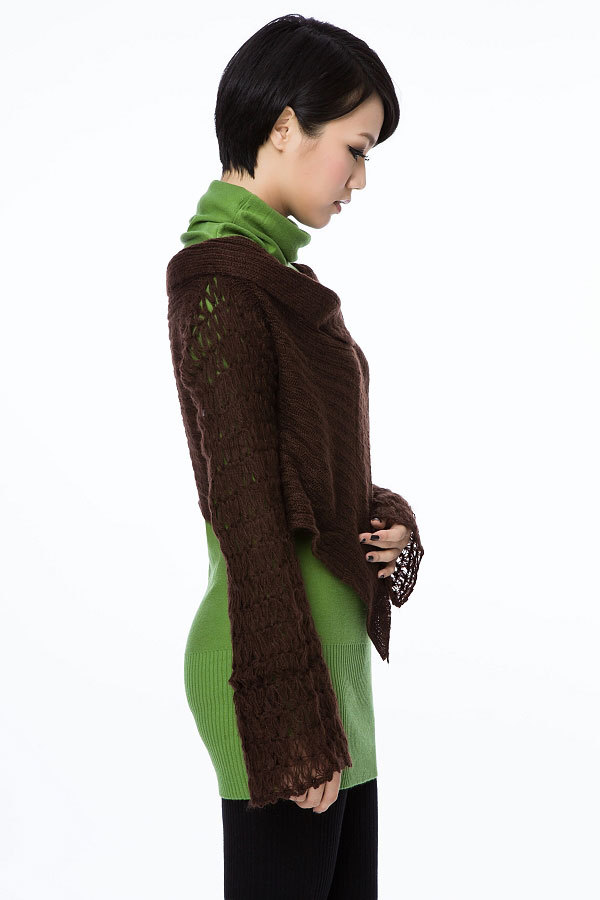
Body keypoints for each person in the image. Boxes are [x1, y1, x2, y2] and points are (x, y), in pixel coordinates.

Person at [166, 13, 424, 899]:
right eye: (355, 149)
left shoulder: (280, 280)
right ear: (285, 126)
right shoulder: (220, 286)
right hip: (274, 675)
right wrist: (288, 719)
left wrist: (385, 518)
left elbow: (304, 473)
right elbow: (246, 512)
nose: (361, 178)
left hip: (331, 668)